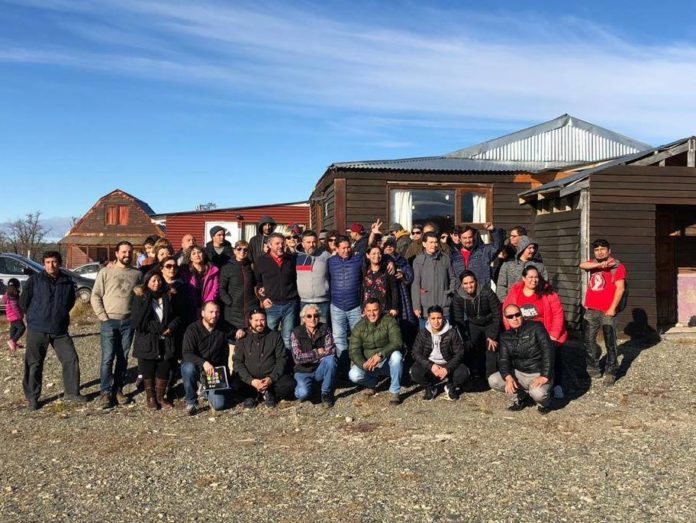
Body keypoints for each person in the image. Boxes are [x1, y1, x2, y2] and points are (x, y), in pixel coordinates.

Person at [19, 252, 86, 410]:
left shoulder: (67, 282)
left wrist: (60, 315)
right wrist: (34, 317)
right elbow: (23, 302)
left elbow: (70, 302)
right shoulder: (34, 280)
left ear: (59, 263)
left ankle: (72, 393)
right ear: (44, 264)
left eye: (54, 262)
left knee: (71, 359)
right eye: (48, 262)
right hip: (37, 329)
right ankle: (32, 397)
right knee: (34, 363)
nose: (51, 265)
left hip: (59, 330)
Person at [502, 265, 568, 398]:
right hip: (523, 332)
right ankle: (523, 384)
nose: (534, 280)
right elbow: (507, 311)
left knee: (553, 352)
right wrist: (511, 332)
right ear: (523, 278)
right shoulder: (516, 291)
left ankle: (556, 384)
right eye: (530, 277)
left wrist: (553, 335)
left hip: (545, 331)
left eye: (536, 277)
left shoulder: (547, 292)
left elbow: (558, 314)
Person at [91, 241, 142, 408]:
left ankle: (118, 389)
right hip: (109, 320)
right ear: (117, 253)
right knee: (107, 358)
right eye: (124, 252)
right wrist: (103, 317)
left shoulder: (137, 274)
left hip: (128, 322)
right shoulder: (106, 272)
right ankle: (105, 392)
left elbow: (141, 295)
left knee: (123, 357)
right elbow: (95, 295)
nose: (127, 255)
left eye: (130, 252)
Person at [488, 304, 554, 414]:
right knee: (493, 380)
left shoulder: (536, 327)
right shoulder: (505, 336)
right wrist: (508, 377)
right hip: (519, 373)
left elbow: (548, 351)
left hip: (537, 373)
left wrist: (545, 376)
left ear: (521, 315)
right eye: (510, 316)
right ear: (506, 319)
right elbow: (503, 360)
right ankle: (520, 398)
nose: (514, 318)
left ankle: (544, 403)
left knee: (538, 394)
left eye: (517, 315)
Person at [131, 269, 181, 410]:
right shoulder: (140, 297)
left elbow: (178, 315)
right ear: (147, 282)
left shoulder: (169, 295)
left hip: (166, 338)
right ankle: (151, 398)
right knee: (148, 369)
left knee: (164, 367)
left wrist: (171, 327)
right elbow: (138, 321)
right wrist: (159, 328)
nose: (156, 283)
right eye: (153, 280)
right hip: (147, 339)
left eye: (159, 280)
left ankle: (160, 397)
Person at [580, 239, 627, 386]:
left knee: (610, 342)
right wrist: (599, 265)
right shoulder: (593, 264)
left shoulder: (618, 266)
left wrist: (612, 308)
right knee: (588, 341)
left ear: (609, 250)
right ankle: (592, 369)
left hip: (608, 311)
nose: (599, 252)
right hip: (591, 309)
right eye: (597, 250)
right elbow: (582, 265)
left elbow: (620, 289)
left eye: (603, 249)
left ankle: (611, 371)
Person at [233, 307, 296, 408]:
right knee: (235, 385)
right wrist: (251, 381)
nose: (259, 323)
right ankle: (252, 395)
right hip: (251, 380)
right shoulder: (242, 338)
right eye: (256, 320)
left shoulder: (274, 336)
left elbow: (282, 359)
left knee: (289, 385)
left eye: (262, 320)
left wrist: (271, 378)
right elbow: (237, 362)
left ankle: (270, 393)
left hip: (270, 378)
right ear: (250, 321)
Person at [181, 301, 234, 415]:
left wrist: (240, 331)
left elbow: (236, 332)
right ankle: (191, 402)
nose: (214, 315)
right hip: (197, 367)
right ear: (203, 313)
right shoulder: (193, 329)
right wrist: (204, 363)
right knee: (187, 368)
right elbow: (187, 353)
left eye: (217, 312)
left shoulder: (223, 327)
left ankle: (205, 390)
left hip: (214, 371)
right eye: (211, 312)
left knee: (219, 405)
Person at [348, 298, 404, 404]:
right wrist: (363, 364)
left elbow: (397, 342)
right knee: (353, 375)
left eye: (375, 310)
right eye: (369, 311)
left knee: (397, 356)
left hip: (386, 361)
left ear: (380, 309)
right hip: (369, 364)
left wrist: (380, 355)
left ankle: (394, 391)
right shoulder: (359, 326)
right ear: (364, 311)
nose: (372, 314)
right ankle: (371, 383)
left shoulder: (389, 321)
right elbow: (353, 350)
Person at [410, 306, 470, 401]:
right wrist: (431, 365)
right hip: (431, 364)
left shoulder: (451, 332)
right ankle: (430, 388)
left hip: (447, 363)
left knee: (464, 372)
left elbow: (459, 353)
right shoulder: (423, 333)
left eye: (439, 318)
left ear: (443, 318)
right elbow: (415, 352)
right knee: (415, 371)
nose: (436, 321)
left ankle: (451, 387)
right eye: (433, 318)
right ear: (428, 319)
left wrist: (447, 368)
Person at [451, 270, 501, 380]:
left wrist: (493, 335)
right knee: (472, 347)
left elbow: (497, 313)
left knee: (491, 348)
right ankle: (475, 374)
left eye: (471, 282)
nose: (469, 286)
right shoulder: (458, 296)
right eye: (465, 283)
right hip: (473, 323)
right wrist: (465, 338)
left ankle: (491, 377)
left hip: (490, 322)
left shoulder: (486, 292)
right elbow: (458, 319)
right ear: (461, 284)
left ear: (476, 281)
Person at [255, 232, 299, 351]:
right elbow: (258, 283)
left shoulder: (290, 259)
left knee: (288, 339)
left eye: (282, 243)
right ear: (269, 245)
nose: (280, 246)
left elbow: (296, 279)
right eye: (277, 243)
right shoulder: (261, 261)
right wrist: (263, 299)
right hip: (271, 305)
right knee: (269, 338)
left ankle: (286, 362)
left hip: (290, 305)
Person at [327, 236, 364, 370]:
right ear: (336, 248)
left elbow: (373, 255)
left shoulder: (358, 260)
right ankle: (343, 368)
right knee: (339, 338)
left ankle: (357, 366)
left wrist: (390, 262)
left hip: (355, 305)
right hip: (337, 305)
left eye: (348, 247)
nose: (346, 250)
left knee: (357, 337)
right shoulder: (330, 262)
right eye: (343, 248)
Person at [290, 304, 337, 407]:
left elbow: (330, 351)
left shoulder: (325, 328)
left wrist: (307, 357)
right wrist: (316, 353)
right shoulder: (296, 332)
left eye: (316, 316)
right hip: (303, 371)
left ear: (319, 317)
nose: (313, 318)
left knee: (331, 360)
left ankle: (325, 392)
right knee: (302, 394)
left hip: (319, 368)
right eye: (309, 316)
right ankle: (314, 386)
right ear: (303, 318)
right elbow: (297, 358)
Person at [411, 232, 457, 327]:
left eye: (436, 242)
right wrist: (416, 306)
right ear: (424, 244)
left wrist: (449, 293)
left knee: (445, 335)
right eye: (431, 242)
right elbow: (415, 284)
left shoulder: (445, 258)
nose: (434, 245)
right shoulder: (418, 261)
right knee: (426, 335)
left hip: (443, 307)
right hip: (426, 308)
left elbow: (453, 278)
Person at [382, 237, 418, 350]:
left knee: (406, 322)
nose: (389, 247)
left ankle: (408, 350)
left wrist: (403, 275)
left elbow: (410, 276)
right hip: (386, 295)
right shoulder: (380, 259)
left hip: (402, 294)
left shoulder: (402, 260)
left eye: (391, 244)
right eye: (386, 245)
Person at [219, 240, 259, 333]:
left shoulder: (251, 266)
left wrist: (256, 300)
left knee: (250, 334)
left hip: (250, 307)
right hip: (233, 309)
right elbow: (221, 288)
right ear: (234, 251)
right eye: (239, 249)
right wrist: (230, 302)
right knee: (234, 335)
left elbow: (256, 284)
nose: (242, 252)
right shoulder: (227, 267)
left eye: (245, 250)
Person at [450, 223, 504, 288]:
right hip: (461, 292)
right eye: (464, 238)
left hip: (481, 291)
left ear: (473, 237)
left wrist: (493, 231)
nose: (468, 240)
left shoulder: (483, 251)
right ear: (460, 239)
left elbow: (498, 246)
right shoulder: (454, 256)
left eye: (470, 237)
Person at [496, 235, 549, 300]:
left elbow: (545, 285)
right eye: (529, 248)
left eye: (533, 248)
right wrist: (505, 302)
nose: (532, 250)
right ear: (522, 248)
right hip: (513, 303)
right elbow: (501, 286)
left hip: (534, 302)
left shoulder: (539, 266)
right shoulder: (507, 265)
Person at [296, 230, 331, 323]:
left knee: (323, 329)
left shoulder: (326, 255)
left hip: (323, 301)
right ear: (302, 243)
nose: (312, 245)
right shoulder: (296, 257)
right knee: (306, 329)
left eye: (314, 242)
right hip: (304, 301)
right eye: (308, 242)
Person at [179, 245, 220, 316]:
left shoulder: (213, 270)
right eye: (194, 253)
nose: (197, 255)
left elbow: (215, 289)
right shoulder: (185, 271)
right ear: (190, 258)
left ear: (203, 255)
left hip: (208, 306)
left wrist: (206, 305)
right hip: (190, 306)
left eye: (199, 252)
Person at [363, 245, 400, 318]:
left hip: (385, 309)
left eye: (379, 253)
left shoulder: (388, 269)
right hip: (369, 310)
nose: (377, 256)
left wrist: (394, 307)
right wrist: (363, 308)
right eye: (373, 254)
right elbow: (363, 290)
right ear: (368, 255)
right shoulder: (365, 270)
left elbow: (394, 289)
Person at [3, 278, 25, 354]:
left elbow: (3, 301)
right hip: (15, 315)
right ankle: (13, 341)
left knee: (14, 328)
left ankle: (13, 343)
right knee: (22, 328)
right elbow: (15, 306)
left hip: (10, 315)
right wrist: (20, 315)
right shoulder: (14, 294)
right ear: (17, 286)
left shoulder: (8, 292)